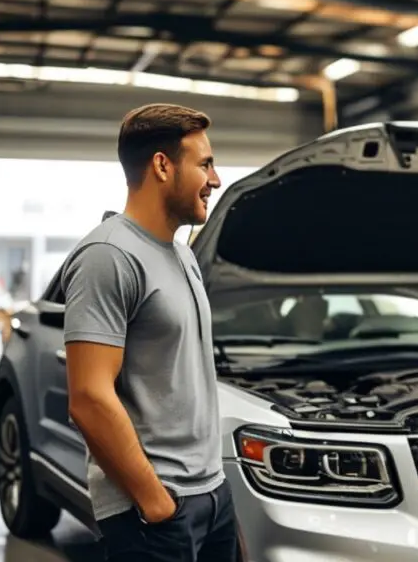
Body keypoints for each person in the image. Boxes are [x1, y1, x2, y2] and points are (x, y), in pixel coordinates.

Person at [61, 103, 236, 561]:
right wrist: (157, 502)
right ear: (162, 165)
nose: (215, 180)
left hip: (210, 495)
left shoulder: (183, 256)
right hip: (155, 509)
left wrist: (216, 493)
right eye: (205, 164)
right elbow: (88, 398)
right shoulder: (109, 255)